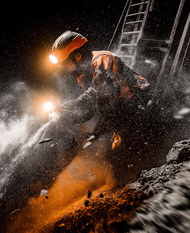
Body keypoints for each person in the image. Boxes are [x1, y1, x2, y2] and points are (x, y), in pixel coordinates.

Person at [49, 31, 153, 182]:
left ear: (77, 56)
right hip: (125, 113)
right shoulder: (84, 76)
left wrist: (65, 108)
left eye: (65, 64)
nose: (64, 69)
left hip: (142, 106)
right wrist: (72, 121)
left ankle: (143, 171)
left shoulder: (101, 59)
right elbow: (92, 109)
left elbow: (95, 96)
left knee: (120, 154)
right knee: (105, 150)